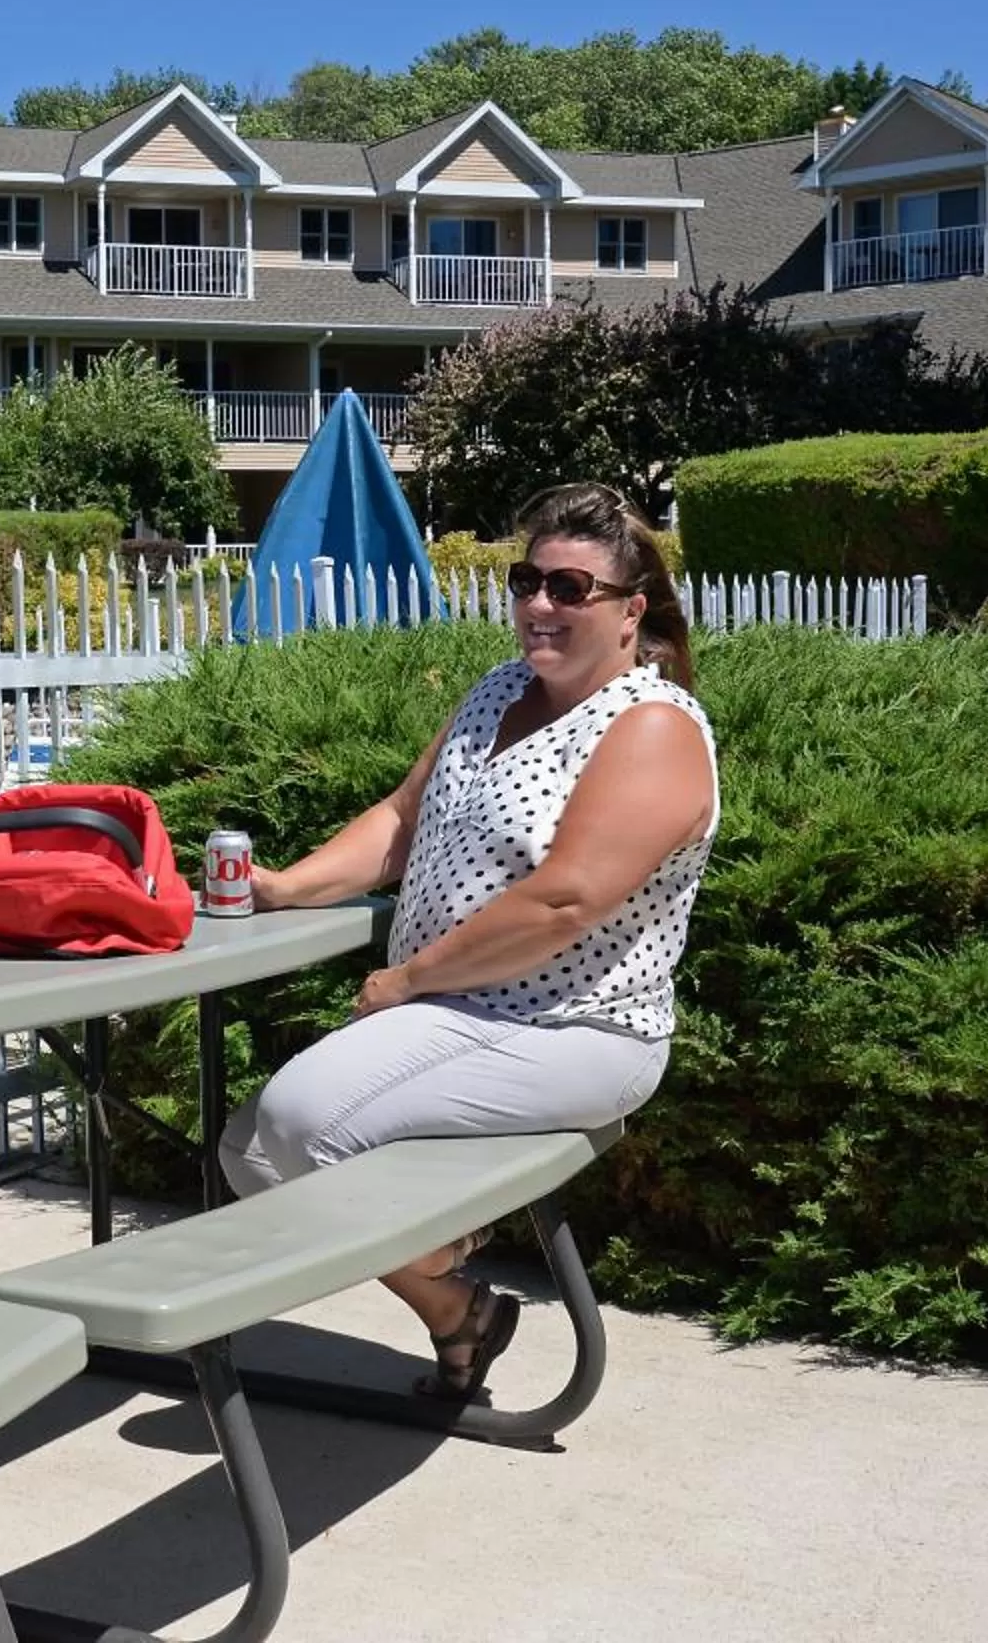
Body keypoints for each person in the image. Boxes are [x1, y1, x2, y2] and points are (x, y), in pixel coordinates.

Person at [233, 481, 718, 1399]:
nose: (540, 604)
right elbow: (404, 818)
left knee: (298, 1124)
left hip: (572, 1027)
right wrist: (285, 888)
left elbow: (563, 903)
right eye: (526, 580)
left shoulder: (650, 726)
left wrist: (409, 978)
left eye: (571, 588)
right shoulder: (500, 691)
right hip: (461, 1015)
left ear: (630, 612)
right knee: (249, 1153)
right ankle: (460, 1311)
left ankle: (442, 1237)